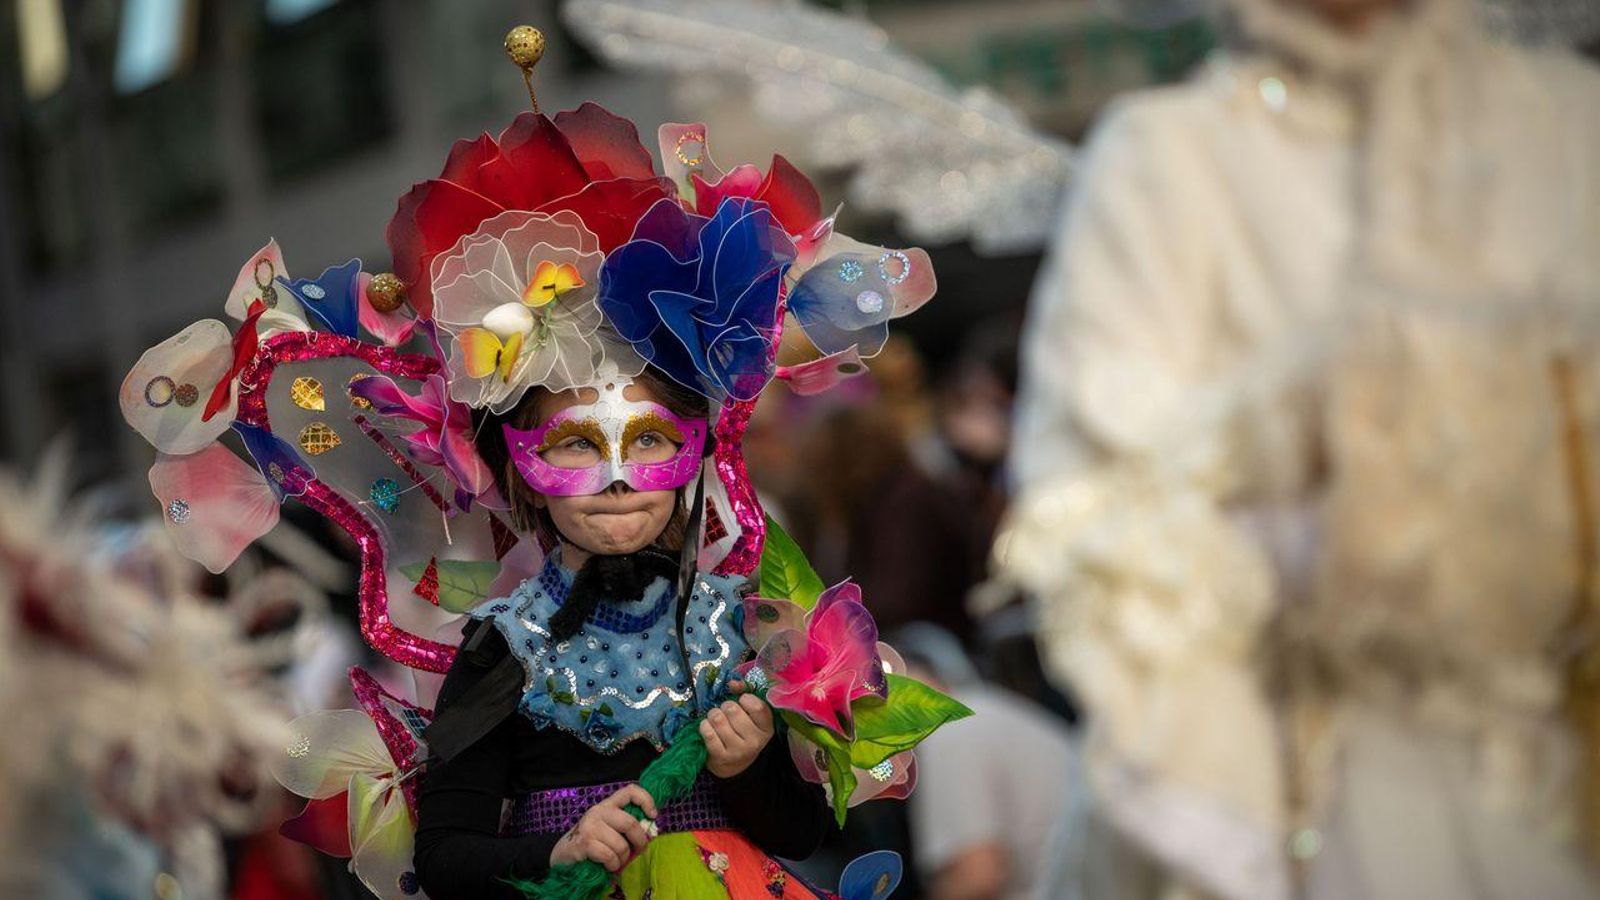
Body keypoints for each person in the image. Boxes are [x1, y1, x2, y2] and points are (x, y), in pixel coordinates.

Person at [1001, 0, 1600, 897]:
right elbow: (1091, 500)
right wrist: (1292, 439)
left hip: (1548, 777)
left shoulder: (1567, 122)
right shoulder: (1169, 154)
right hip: (1307, 779)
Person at [412, 367, 832, 898]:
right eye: (576, 444)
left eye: (649, 439)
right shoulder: (504, 645)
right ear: (523, 473)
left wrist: (746, 771)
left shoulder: (742, 627)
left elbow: (804, 834)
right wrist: (559, 850)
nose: (618, 478)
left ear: (690, 454)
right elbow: (442, 857)